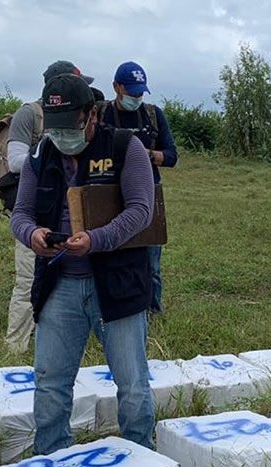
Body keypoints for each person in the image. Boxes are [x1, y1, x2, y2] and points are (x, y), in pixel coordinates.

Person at [9, 74, 155, 454]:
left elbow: (142, 210)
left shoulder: (126, 146)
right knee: (50, 380)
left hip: (118, 282)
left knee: (132, 381)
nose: (62, 138)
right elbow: (21, 213)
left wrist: (97, 239)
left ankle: (140, 456)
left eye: (70, 127)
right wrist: (32, 235)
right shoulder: (41, 155)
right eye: (55, 129)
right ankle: (52, 459)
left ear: (92, 115)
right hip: (60, 283)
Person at [3, 60, 93, 354]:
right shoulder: (27, 115)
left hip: (81, 214)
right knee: (28, 279)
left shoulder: (89, 121)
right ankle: (15, 346)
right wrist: (50, 144)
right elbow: (14, 161)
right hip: (40, 212)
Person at [98, 61, 177, 314]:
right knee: (109, 252)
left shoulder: (153, 114)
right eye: (132, 92)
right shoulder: (101, 114)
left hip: (148, 192)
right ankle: (108, 308)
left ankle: (153, 311)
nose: (137, 97)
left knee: (151, 262)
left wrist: (146, 156)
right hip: (107, 192)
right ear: (116, 87)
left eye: (141, 92)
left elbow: (172, 156)